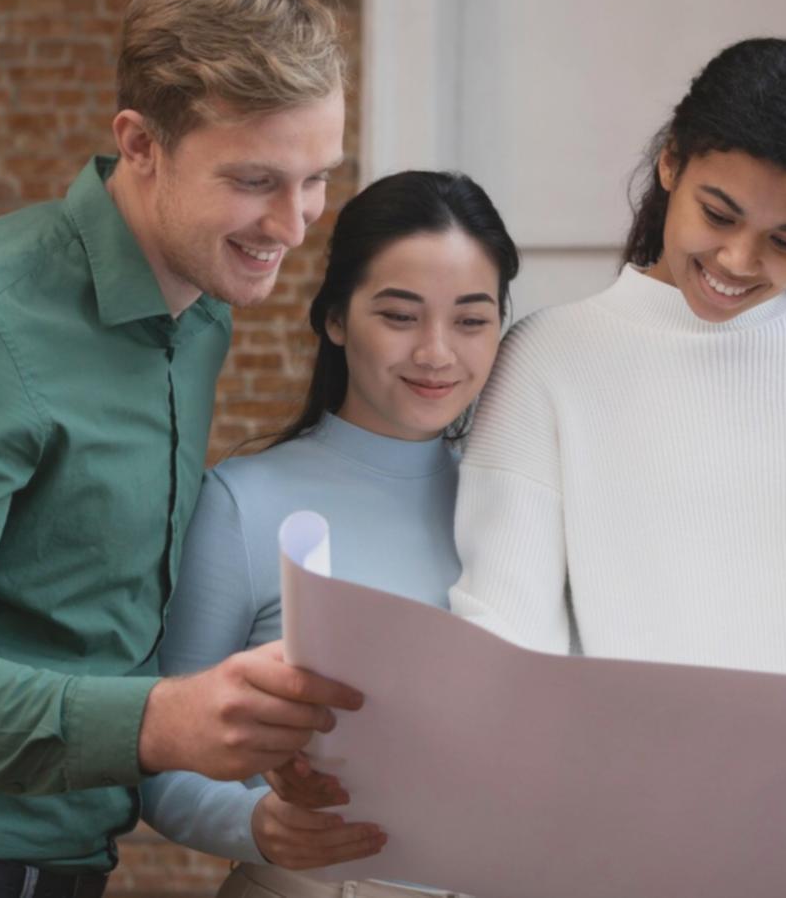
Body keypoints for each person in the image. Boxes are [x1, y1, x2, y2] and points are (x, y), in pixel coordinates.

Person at [0, 0, 360, 896]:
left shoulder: (200, 314)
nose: (294, 226)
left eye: (315, 179)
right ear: (141, 142)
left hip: (71, 868)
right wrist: (159, 720)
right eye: (255, 180)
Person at [449, 38, 786, 693]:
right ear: (670, 163)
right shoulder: (547, 359)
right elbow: (505, 636)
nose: (739, 260)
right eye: (718, 215)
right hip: (620, 760)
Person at [141, 171, 520, 898]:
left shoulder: (519, 506)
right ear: (336, 318)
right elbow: (159, 757)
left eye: (471, 321)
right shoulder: (244, 505)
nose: (437, 353)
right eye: (400, 316)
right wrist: (260, 824)